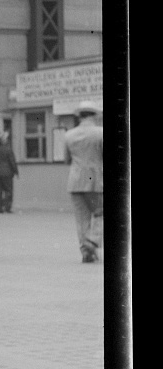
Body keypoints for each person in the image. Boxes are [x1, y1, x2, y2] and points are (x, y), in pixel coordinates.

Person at [63, 100, 104, 263]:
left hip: (75, 180)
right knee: (101, 212)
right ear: (94, 115)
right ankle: (92, 241)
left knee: (82, 218)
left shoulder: (69, 135)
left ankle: (85, 251)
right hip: (95, 180)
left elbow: (67, 159)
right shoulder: (100, 133)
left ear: (80, 116)